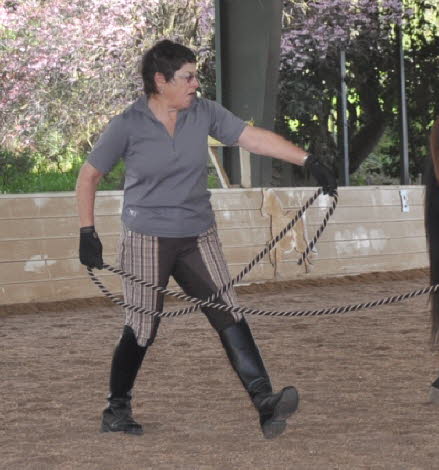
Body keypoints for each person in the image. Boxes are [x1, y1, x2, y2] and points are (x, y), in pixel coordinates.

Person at [75, 39, 337, 439]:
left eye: (195, 76)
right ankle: (116, 408)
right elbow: (88, 176)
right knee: (142, 327)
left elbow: (251, 138)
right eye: (188, 77)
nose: (196, 83)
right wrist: (87, 232)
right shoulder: (127, 124)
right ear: (160, 81)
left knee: (228, 312)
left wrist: (308, 161)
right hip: (147, 238)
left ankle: (265, 401)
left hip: (197, 234)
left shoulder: (204, 112)